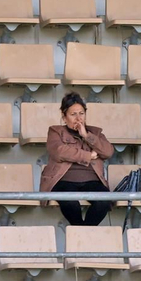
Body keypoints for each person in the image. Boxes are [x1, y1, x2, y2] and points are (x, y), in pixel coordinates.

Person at [42, 93, 116, 227]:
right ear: (64, 117)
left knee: (104, 201)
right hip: (63, 180)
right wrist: (89, 156)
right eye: (73, 114)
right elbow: (60, 152)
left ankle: (81, 233)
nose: (78, 118)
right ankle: (82, 234)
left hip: (91, 181)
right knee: (70, 203)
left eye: (81, 113)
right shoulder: (55, 131)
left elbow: (108, 151)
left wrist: (86, 136)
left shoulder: (95, 133)